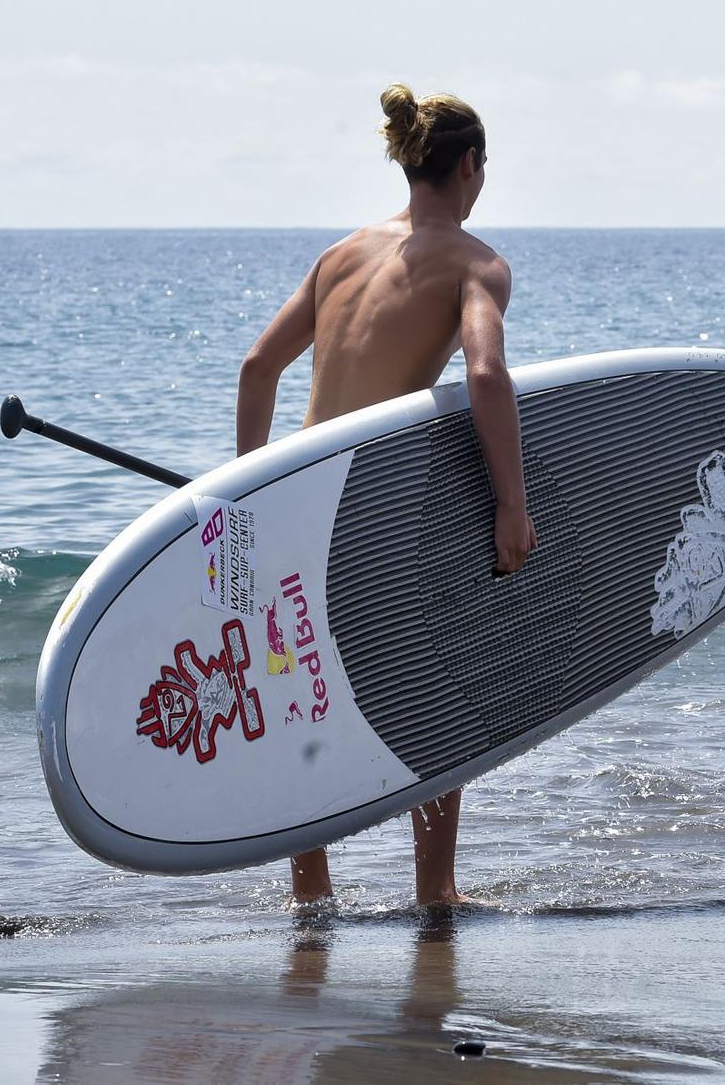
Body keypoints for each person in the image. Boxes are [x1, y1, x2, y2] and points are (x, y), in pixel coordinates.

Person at [234, 83, 537, 908]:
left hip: (294, 496)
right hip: (370, 505)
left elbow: (258, 369)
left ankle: (311, 894)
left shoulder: (340, 256)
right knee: (437, 680)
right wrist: (512, 503)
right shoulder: (477, 264)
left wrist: (245, 493)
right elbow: (484, 372)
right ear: (470, 165)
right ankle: (434, 891)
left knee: (305, 693)